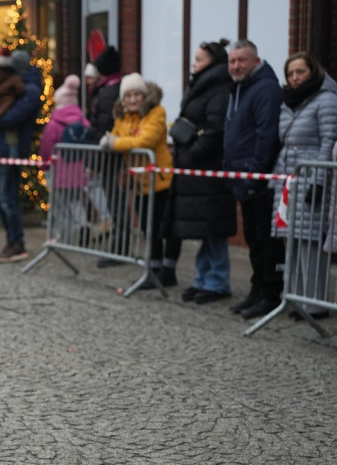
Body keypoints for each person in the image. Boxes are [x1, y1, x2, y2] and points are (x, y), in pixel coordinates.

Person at [270, 51, 337, 320]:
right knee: (293, 241)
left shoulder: (327, 100)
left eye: (300, 71)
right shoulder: (289, 102)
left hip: (311, 178)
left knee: (310, 243)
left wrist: (319, 181)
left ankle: (315, 304)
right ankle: (298, 299)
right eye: (290, 73)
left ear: (314, 71)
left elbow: (329, 141)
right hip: (289, 179)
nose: (295, 77)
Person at [166, 39, 237, 305]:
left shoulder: (218, 89)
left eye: (199, 59)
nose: (193, 64)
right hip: (196, 170)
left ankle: (217, 282)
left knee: (213, 229)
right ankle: (203, 279)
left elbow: (215, 130)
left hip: (207, 169)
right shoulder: (201, 85)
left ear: (212, 62)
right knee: (204, 229)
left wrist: (192, 154)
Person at [223, 39, 284, 319]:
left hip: (259, 180)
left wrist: (254, 174)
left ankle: (270, 295)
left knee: (265, 241)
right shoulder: (240, 87)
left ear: (256, 61)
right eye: (232, 61)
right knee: (253, 239)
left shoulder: (265, 89)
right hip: (243, 177)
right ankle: (257, 290)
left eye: (241, 60)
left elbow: (266, 136)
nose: (236, 66)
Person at [100, 73, 175, 285]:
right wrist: (113, 141)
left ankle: (168, 271)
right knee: (147, 228)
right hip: (139, 182)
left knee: (165, 228)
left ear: (144, 95)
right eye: (128, 96)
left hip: (160, 179)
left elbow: (144, 141)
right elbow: (115, 135)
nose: (132, 100)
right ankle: (153, 269)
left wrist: (115, 143)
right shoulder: (122, 116)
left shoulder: (156, 112)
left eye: (137, 94)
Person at [0, 49, 42, 263]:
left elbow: (13, 116)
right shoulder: (12, 84)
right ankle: (11, 241)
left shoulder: (30, 89)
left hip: (11, 148)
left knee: (8, 198)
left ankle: (17, 243)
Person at [39, 75, 91, 245]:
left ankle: (63, 237)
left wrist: (44, 165)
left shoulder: (54, 123)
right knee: (76, 201)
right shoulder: (83, 121)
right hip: (79, 173)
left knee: (60, 206)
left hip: (59, 173)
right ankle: (83, 224)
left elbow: (46, 146)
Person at [87, 46, 123, 140]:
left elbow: (104, 125)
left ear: (102, 70)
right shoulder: (116, 86)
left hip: (103, 144)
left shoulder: (107, 94)